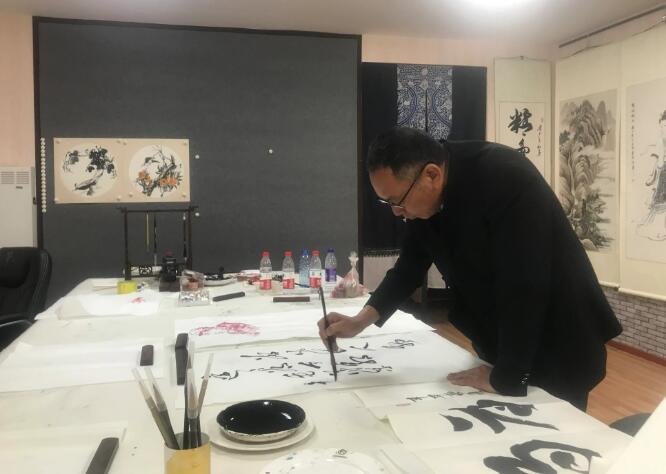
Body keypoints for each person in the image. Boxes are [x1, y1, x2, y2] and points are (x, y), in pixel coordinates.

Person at [318, 127, 622, 411]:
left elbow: (526, 283)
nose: (397, 212)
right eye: (388, 204)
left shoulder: (505, 177)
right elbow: (409, 266)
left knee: (552, 435)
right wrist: (360, 321)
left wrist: (507, 376)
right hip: (506, 339)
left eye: (397, 201)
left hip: (559, 338)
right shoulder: (426, 203)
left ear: (432, 175)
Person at [637, 110, 666, 240]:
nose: (663, 129)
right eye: (662, 126)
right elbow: (657, 161)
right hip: (662, 173)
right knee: (660, 201)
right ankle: (660, 229)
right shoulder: (660, 140)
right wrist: (652, 174)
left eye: (665, 126)